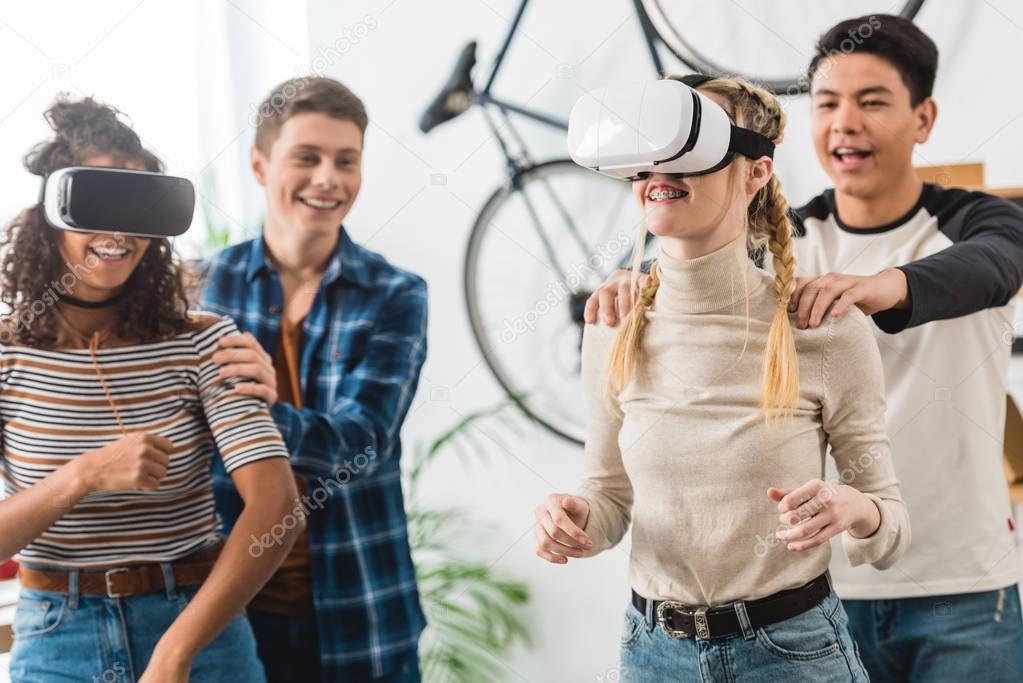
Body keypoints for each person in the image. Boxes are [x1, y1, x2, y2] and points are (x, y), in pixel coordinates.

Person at [585, 15, 1023, 682]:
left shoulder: (982, 223)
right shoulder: (789, 238)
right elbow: (702, 263)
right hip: (821, 593)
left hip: (959, 583)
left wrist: (875, 287)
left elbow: (991, 265)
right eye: (825, 103)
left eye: (871, 101)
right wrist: (636, 278)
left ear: (922, 117)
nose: (844, 122)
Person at [534, 74, 909, 681]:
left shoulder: (820, 327)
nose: (664, 167)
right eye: (653, 148)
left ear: (756, 170)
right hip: (652, 654)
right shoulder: (613, 320)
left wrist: (851, 507)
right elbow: (608, 500)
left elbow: (890, 525)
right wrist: (574, 518)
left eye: (691, 145)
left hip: (792, 652)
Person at [0, 96, 301, 682]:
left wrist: (176, 650)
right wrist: (84, 475)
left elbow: (278, 506)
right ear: (51, 212)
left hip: (199, 628)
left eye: (136, 206)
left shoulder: (203, 341)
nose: (118, 231)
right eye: (98, 201)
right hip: (59, 640)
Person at [200, 76, 429, 682]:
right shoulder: (200, 289)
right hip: (229, 618)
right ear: (259, 164)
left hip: (363, 617)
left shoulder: (396, 294)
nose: (329, 178)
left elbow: (364, 442)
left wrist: (258, 411)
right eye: (307, 157)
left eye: (346, 161)